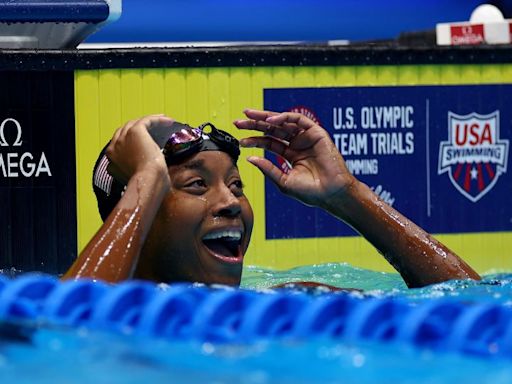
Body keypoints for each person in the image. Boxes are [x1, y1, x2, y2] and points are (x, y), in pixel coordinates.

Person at [63, 109, 480, 288]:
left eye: (237, 185)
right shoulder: (106, 319)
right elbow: (59, 332)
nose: (231, 203)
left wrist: (348, 197)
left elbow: (468, 303)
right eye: (196, 185)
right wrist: (146, 180)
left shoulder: (284, 303)